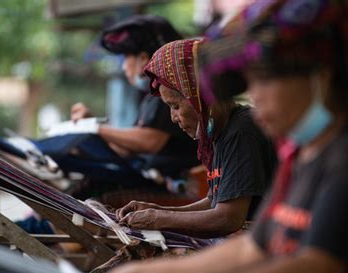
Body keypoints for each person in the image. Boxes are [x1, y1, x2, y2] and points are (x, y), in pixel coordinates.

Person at [100, 1, 348, 273]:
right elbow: (254, 247)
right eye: (251, 82)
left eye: (266, 79)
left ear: (321, 76)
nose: (255, 95)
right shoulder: (303, 157)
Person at [114, 38, 277, 238]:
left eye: (176, 106)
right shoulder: (221, 131)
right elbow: (214, 201)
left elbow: (228, 218)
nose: (173, 118)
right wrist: (157, 211)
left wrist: (158, 218)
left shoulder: (241, 131)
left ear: (200, 97)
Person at [35, 15, 199, 198]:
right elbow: (126, 149)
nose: (124, 67)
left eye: (127, 57)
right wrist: (90, 126)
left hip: (172, 188)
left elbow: (149, 141)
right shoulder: (151, 99)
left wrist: (94, 128)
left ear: (143, 59)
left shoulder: (167, 94)